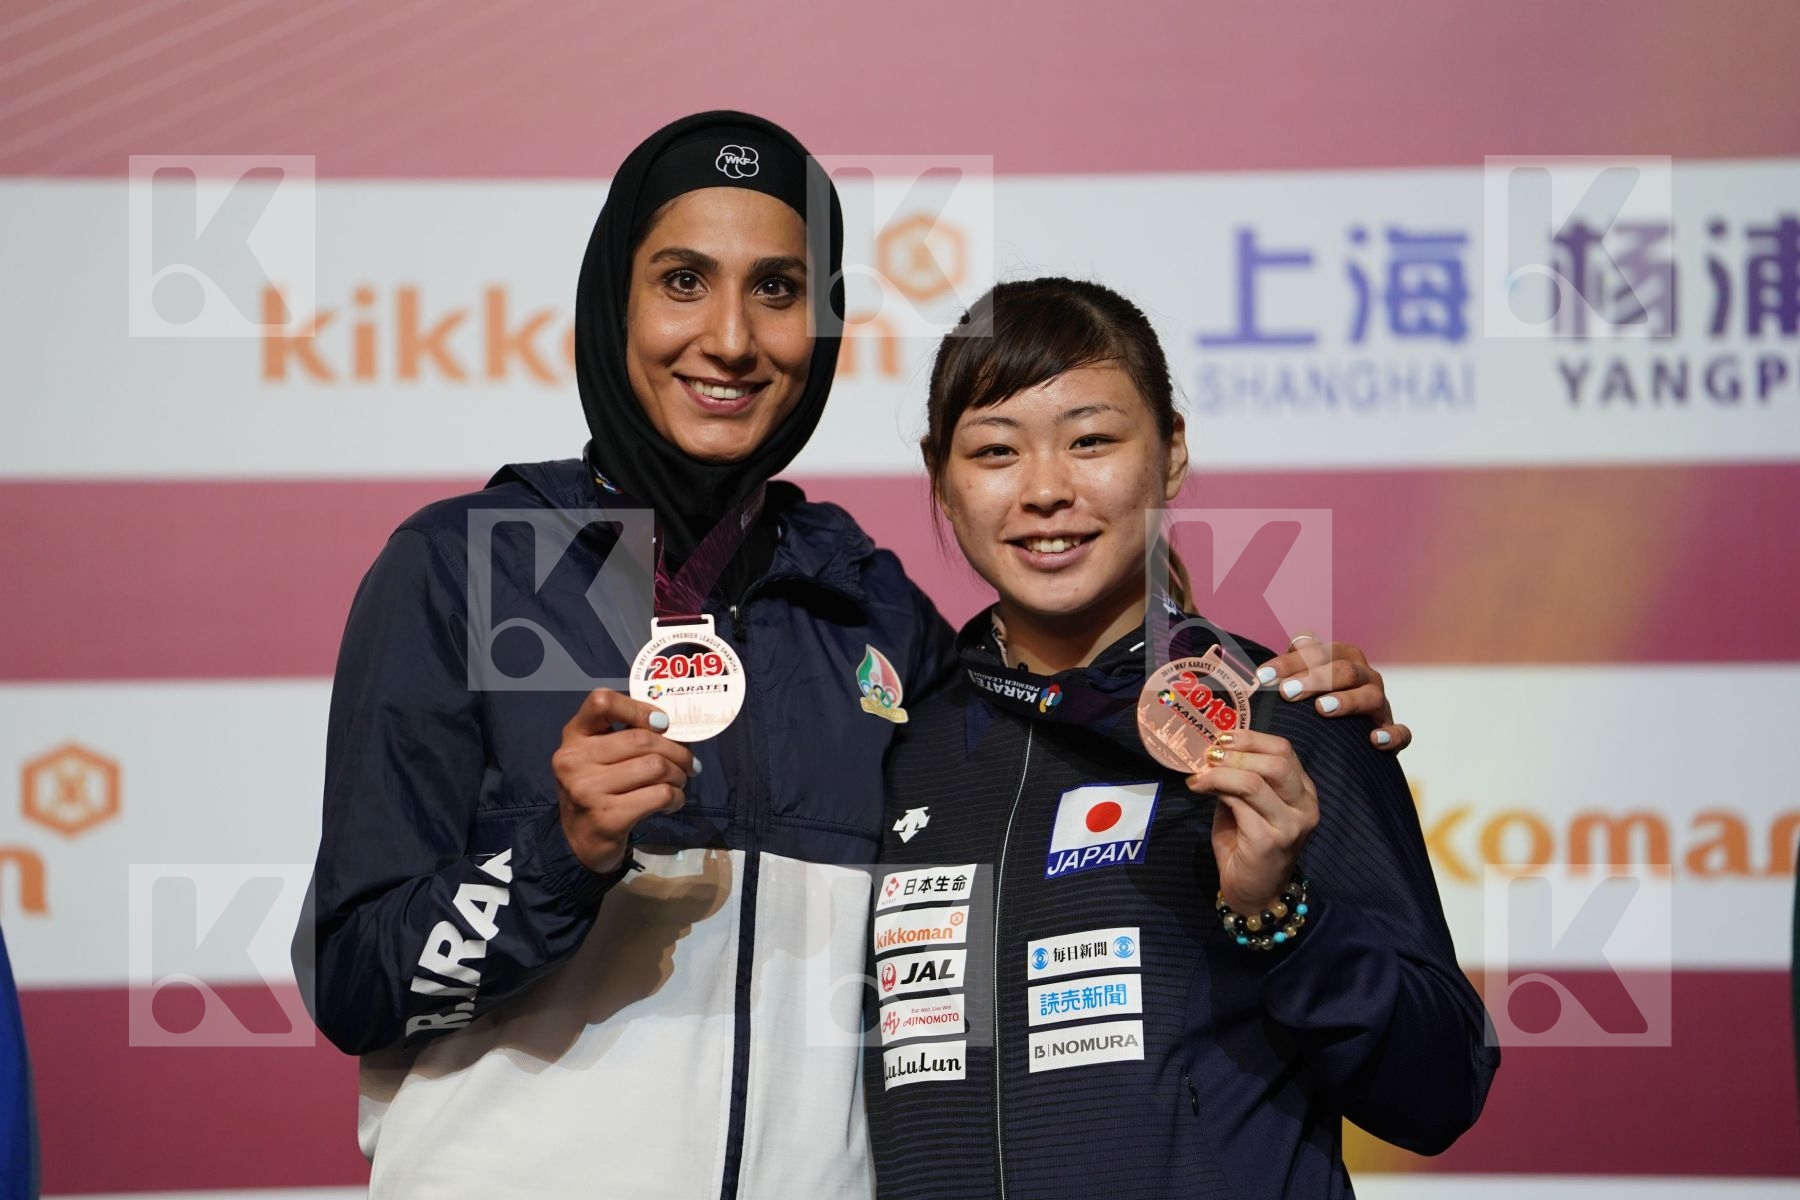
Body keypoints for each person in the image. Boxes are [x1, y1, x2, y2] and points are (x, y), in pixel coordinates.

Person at [294, 113, 1414, 1199]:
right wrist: (562, 852)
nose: (731, 338)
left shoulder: (871, 608)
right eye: (682, 280)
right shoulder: (468, 566)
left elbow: (1062, 719)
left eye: (778, 290)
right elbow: (354, 982)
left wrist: (1283, 697)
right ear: (610, 302)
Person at [864, 277, 1497, 1199]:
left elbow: (1440, 1092)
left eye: (1091, 441)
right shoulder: (898, 749)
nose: (1046, 490)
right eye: (996, 451)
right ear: (942, 481)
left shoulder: (1285, 720)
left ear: (1170, 453)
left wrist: (1280, 916)